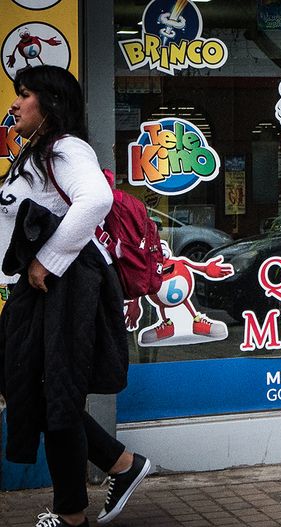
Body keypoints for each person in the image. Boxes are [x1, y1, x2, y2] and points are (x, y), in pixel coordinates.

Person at [0, 65, 151, 527]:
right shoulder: (38, 152)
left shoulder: (65, 148)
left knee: (56, 398)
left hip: (62, 288)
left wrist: (48, 260)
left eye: (25, 94)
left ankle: (72, 515)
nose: (14, 103)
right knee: (39, 393)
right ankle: (121, 465)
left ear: (50, 103)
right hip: (41, 290)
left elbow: (96, 200)